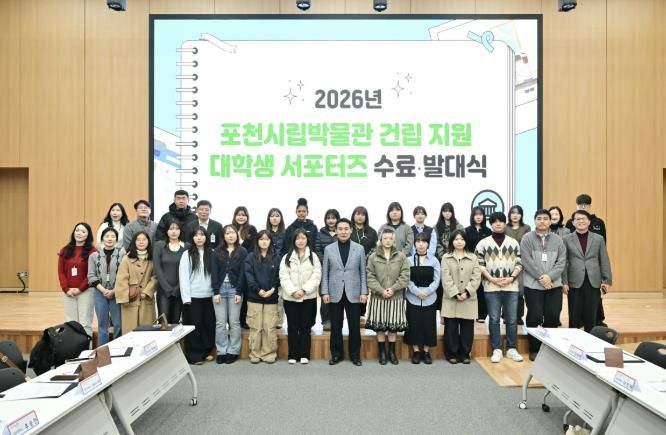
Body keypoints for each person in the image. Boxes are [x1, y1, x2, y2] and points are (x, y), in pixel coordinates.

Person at [475, 212, 524, 363]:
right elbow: (479, 264)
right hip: (491, 287)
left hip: (511, 286)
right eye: (495, 222)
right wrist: (492, 279)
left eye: (501, 221)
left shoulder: (513, 242)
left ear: (504, 223)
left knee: (512, 319)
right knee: (494, 319)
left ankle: (511, 348)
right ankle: (496, 349)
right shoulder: (483, 243)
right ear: (490, 224)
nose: (498, 224)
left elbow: (519, 262)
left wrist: (511, 278)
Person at [520, 209, 567, 361]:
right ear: (534, 221)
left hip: (554, 285)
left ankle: (549, 349)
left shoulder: (558, 240)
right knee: (534, 316)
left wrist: (549, 277)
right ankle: (534, 348)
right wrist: (542, 277)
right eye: (539, 218)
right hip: (533, 285)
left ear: (550, 221)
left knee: (553, 316)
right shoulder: (527, 238)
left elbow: (562, 262)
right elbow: (526, 260)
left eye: (545, 218)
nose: (542, 221)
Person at [321, 218, 368, 366]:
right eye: (340, 229)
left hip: (354, 292)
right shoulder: (329, 249)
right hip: (334, 292)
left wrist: (364, 292)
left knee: (354, 326)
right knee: (336, 326)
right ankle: (336, 355)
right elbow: (325, 272)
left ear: (351, 230)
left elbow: (363, 272)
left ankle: (355, 356)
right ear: (336, 231)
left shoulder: (359, 249)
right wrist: (324, 292)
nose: (343, 232)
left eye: (346, 229)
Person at [562, 210, 612, 332]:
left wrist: (607, 280)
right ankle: (573, 341)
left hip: (593, 280)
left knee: (591, 315)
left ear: (589, 221)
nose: (581, 221)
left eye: (583, 218)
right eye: (577, 219)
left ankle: (590, 339)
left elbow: (604, 259)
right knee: (574, 316)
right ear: (573, 222)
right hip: (574, 281)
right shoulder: (566, 239)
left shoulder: (598, 239)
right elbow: (563, 262)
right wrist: (564, 282)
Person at [366, 228, 410, 365]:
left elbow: (405, 275)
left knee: (393, 327)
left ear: (394, 240)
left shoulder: (401, 256)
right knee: (380, 327)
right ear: (380, 240)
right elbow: (370, 276)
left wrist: (393, 289)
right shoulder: (373, 257)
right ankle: (382, 353)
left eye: (391, 238)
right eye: (385, 238)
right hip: (378, 297)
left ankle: (392, 352)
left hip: (395, 297)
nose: (388, 241)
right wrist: (381, 290)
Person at [280, 228, 322, 364]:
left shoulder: (313, 257)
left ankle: (304, 354)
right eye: (298, 238)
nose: (300, 241)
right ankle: (292, 355)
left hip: (308, 297)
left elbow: (316, 276)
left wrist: (304, 290)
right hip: (290, 298)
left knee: (305, 327)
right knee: (292, 327)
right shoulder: (286, 257)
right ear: (294, 240)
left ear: (307, 240)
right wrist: (293, 291)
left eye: (303, 238)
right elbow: (283, 277)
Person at [441, 230, 481, 364]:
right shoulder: (446, 257)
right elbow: (445, 278)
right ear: (452, 241)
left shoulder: (473, 258)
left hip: (468, 298)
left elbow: (476, 277)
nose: (459, 242)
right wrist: (455, 293)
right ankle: (451, 354)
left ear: (466, 241)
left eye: (462, 239)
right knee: (451, 329)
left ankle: (465, 354)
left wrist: (467, 292)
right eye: (456, 239)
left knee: (467, 329)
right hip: (451, 298)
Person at [211, 225, 248, 364]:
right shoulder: (217, 251)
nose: (230, 235)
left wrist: (239, 291)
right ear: (223, 236)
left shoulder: (242, 251)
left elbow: (243, 273)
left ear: (237, 235)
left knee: (234, 322)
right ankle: (221, 351)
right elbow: (214, 272)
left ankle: (233, 350)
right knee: (220, 323)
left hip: (235, 290)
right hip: (220, 290)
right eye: (227, 233)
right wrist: (215, 291)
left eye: (232, 233)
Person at [179, 227, 216, 364]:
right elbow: (183, 277)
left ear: (206, 237)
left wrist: (216, 293)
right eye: (196, 235)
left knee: (208, 325)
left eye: (202, 235)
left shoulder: (212, 253)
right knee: (194, 326)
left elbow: (216, 275)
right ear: (192, 238)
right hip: (193, 297)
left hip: (209, 296)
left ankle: (206, 351)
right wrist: (186, 298)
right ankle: (194, 355)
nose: (199, 238)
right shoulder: (187, 254)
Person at [244, 231, 281, 363]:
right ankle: (255, 353)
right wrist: (258, 290)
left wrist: (272, 289)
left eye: (266, 239)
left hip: (271, 298)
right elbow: (249, 276)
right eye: (261, 239)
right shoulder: (250, 257)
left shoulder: (277, 257)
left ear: (270, 241)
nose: (264, 242)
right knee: (256, 327)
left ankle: (269, 353)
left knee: (269, 327)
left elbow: (279, 276)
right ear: (257, 241)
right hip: (254, 297)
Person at [404, 233, 441, 364]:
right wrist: (416, 291)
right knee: (413, 324)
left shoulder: (434, 260)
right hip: (412, 297)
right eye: (418, 241)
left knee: (428, 325)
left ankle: (426, 351)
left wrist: (426, 291)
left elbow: (437, 280)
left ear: (428, 244)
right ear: (415, 244)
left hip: (430, 297)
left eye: (424, 241)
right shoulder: (408, 260)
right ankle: (415, 351)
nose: (421, 244)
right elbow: (406, 279)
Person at [114, 231, 157, 333]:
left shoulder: (153, 259)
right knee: (130, 332)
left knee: (147, 332)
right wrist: (125, 297)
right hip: (130, 299)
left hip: (146, 300)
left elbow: (155, 277)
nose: (141, 242)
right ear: (134, 242)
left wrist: (147, 292)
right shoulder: (127, 258)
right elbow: (121, 279)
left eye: (144, 239)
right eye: (138, 240)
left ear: (148, 242)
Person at [58, 222, 97, 337]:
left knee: (85, 322)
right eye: (77, 230)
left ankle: (86, 347)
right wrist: (66, 289)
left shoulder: (93, 251)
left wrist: (80, 289)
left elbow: (91, 274)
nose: (79, 233)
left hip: (86, 291)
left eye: (83, 231)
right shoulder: (65, 250)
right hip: (69, 292)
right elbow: (61, 272)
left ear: (88, 235)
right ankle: (72, 346)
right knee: (70, 323)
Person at [87, 227, 125, 345]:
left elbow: (125, 274)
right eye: (107, 236)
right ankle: (103, 350)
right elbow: (91, 276)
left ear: (116, 240)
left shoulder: (122, 254)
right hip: (100, 292)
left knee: (118, 324)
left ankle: (118, 347)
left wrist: (114, 291)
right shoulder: (94, 256)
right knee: (102, 324)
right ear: (102, 238)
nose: (110, 239)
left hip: (117, 292)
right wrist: (103, 290)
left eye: (113, 236)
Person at [153, 219, 188, 324]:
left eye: (177, 229)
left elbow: (187, 270)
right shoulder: (159, 245)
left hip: (179, 290)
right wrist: (167, 288)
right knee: (163, 322)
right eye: (171, 229)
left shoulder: (186, 246)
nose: (174, 231)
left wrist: (178, 288)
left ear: (180, 231)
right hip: (164, 290)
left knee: (175, 322)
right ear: (166, 231)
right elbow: (157, 268)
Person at [350, 205, 377, 326]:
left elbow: (375, 248)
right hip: (350, 265)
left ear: (366, 217)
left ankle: (361, 315)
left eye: (362, 214)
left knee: (364, 289)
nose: (360, 217)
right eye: (357, 214)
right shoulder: (349, 230)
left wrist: (366, 258)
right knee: (352, 289)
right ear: (353, 216)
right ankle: (352, 314)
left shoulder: (371, 231)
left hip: (367, 265)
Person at [505, 205, 531, 325]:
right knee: (507, 289)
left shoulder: (526, 228)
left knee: (520, 290)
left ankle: (519, 316)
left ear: (521, 215)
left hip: (522, 262)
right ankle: (506, 315)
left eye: (518, 213)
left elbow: (527, 244)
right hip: (506, 261)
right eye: (513, 213)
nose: (515, 215)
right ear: (509, 215)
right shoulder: (505, 227)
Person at [465, 206, 492, 323]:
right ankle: (470, 313)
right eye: (476, 215)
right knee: (471, 288)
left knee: (482, 289)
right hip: (470, 263)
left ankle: (482, 314)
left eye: (480, 214)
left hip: (484, 264)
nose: (478, 217)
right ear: (472, 216)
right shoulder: (467, 230)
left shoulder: (488, 231)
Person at [315, 209, 340, 331]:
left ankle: (336, 320)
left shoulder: (340, 233)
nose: (331, 220)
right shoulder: (320, 234)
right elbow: (317, 249)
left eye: (333, 218)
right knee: (325, 295)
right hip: (324, 269)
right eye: (328, 218)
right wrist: (325, 261)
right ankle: (326, 320)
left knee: (337, 295)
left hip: (338, 269)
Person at [233, 206, 257, 329]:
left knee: (247, 294)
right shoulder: (231, 229)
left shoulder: (252, 229)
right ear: (235, 216)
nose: (241, 217)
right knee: (235, 293)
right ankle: (233, 320)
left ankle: (244, 320)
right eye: (239, 214)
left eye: (243, 215)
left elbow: (253, 248)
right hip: (233, 267)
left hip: (247, 266)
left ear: (247, 217)